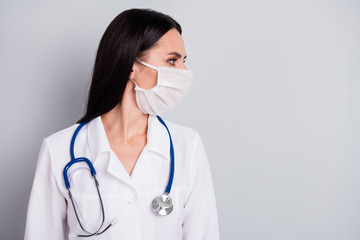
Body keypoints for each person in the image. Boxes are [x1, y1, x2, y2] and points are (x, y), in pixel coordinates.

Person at [24, 8, 220, 240]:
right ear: (131, 66)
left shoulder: (187, 146)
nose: (184, 72)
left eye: (183, 61)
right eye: (172, 60)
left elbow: (204, 234)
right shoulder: (59, 150)